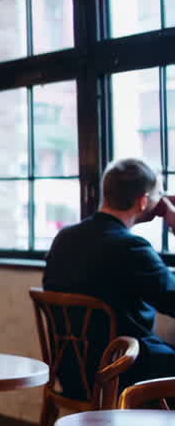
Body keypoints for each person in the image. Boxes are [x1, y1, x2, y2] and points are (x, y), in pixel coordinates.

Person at [44, 157, 175, 395]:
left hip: (72, 370)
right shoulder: (131, 247)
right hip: (122, 370)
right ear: (143, 201)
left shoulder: (64, 238)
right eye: (160, 194)